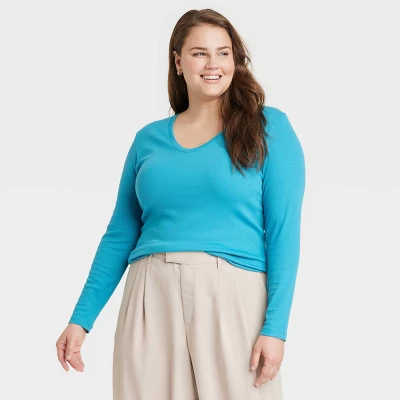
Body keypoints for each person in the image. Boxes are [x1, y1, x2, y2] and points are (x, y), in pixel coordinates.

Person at [55, 8, 306, 400]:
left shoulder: (268, 128)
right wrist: (81, 319)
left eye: (223, 53)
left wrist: (275, 328)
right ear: (178, 62)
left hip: (232, 295)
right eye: (199, 53)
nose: (213, 64)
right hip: (148, 295)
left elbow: (283, 234)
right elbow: (120, 233)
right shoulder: (148, 140)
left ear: (235, 60)